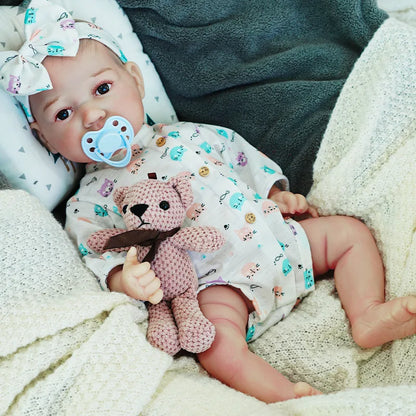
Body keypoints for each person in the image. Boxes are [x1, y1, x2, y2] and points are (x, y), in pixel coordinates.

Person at [2, 1, 416, 404]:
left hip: (282, 240)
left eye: (103, 89)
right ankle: (285, 396)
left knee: (349, 234)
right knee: (214, 344)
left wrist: (276, 193)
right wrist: (124, 281)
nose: (92, 115)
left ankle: (366, 314)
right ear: (42, 138)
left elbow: (240, 157)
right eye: (62, 114)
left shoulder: (186, 134)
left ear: (135, 80)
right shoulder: (85, 203)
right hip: (221, 284)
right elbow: (97, 250)